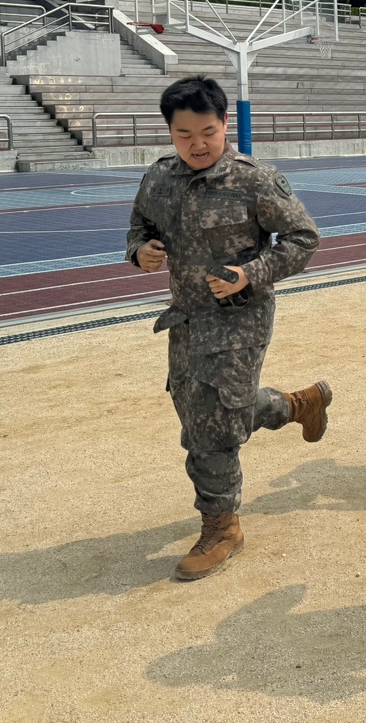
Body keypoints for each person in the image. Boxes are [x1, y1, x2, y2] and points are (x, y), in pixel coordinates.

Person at [125, 75, 330, 581]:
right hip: (186, 317)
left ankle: (221, 527)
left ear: (225, 126)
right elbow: (139, 226)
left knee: (211, 426)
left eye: (209, 132)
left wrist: (250, 273)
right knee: (202, 410)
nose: (198, 144)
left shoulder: (255, 180)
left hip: (241, 318)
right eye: (184, 135)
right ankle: (296, 404)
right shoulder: (159, 178)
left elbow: (304, 238)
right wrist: (140, 252)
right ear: (170, 133)